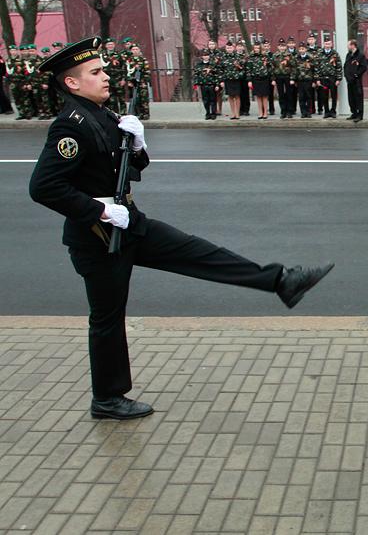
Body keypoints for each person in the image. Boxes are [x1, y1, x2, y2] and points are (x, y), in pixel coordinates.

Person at [29, 38, 334, 420]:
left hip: (130, 224)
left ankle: (280, 281)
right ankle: (106, 399)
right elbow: (43, 187)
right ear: (72, 83)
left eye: (104, 69)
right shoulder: (69, 127)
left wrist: (138, 144)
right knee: (107, 319)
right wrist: (99, 212)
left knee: (195, 251)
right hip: (97, 239)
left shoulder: (101, 114)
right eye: (96, 72)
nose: (106, 77)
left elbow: (128, 167)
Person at [315, 38, 342, 118]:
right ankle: (326, 111)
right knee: (324, 95)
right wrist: (317, 79)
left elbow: (339, 67)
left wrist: (338, 79)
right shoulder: (319, 53)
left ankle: (333, 111)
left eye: (329, 44)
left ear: (331, 44)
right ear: (324, 44)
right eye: (326, 44)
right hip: (323, 78)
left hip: (332, 78)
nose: (327, 45)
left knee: (334, 95)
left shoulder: (335, 54)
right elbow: (317, 67)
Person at [247, 42, 273, 119]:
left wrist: (267, 64)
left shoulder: (265, 56)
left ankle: (265, 112)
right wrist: (249, 80)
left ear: (260, 48)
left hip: (264, 78)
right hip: (256, 78)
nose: (256, 49)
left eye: (258, 48)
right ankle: (260, 112)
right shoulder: (251, 57)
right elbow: (249, 69)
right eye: (255, 48)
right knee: (258, 96)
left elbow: (271, 67)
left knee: (265, 96)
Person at [219, 41, 245, 120]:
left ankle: (237, 113)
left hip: (236, 79)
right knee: (230, 96)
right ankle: (233, 113)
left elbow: (243, 69)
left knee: (237, 96)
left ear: (233, 48)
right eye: (227, 48)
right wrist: (222, 81)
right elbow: (221, 70)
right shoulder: (223, 57)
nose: (229, 49)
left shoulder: (237, 57)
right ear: (226, 49)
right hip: (228, 79)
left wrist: (239, 75)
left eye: (230, 48)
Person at [193, 49, 221, 120]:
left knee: (213, 100)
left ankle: (213, 113)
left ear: (209, 56)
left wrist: (217, 85)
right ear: (202, 56)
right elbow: (196, 75)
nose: (206, 57)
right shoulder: (198, 65)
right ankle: (207, 113)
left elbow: (217, 75)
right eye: (204, 55)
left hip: (212, 84)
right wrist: (196, 83)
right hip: (203, 85)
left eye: (207, 55)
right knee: (206, 100)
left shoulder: (213, 64)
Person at [343, 39, 367, 122]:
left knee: (358, 97)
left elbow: (363, 67)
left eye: (348, 45)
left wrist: (356, 74)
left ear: (353, 45)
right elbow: (346, 66)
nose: (347, 46)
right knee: (351, 98)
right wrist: (346, 76)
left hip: (356, 81)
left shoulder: (360, 55)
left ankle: (359, 114)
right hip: (349, 80)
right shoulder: (348, 55)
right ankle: (354, 113)